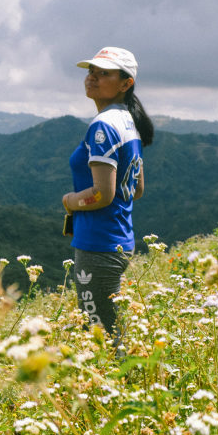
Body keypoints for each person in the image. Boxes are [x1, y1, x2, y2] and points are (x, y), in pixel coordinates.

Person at [62, 47, 154, 344]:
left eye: (104, 73)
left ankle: (117, 385)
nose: (92, 77)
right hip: (119, 239)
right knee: (109, 327)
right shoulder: (128, 123)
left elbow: (102, 193)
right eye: (91, 71)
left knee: (99, 335)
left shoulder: (103, 126)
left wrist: (70, 201)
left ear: (126, 83)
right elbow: (136, 189)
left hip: (98, 244)